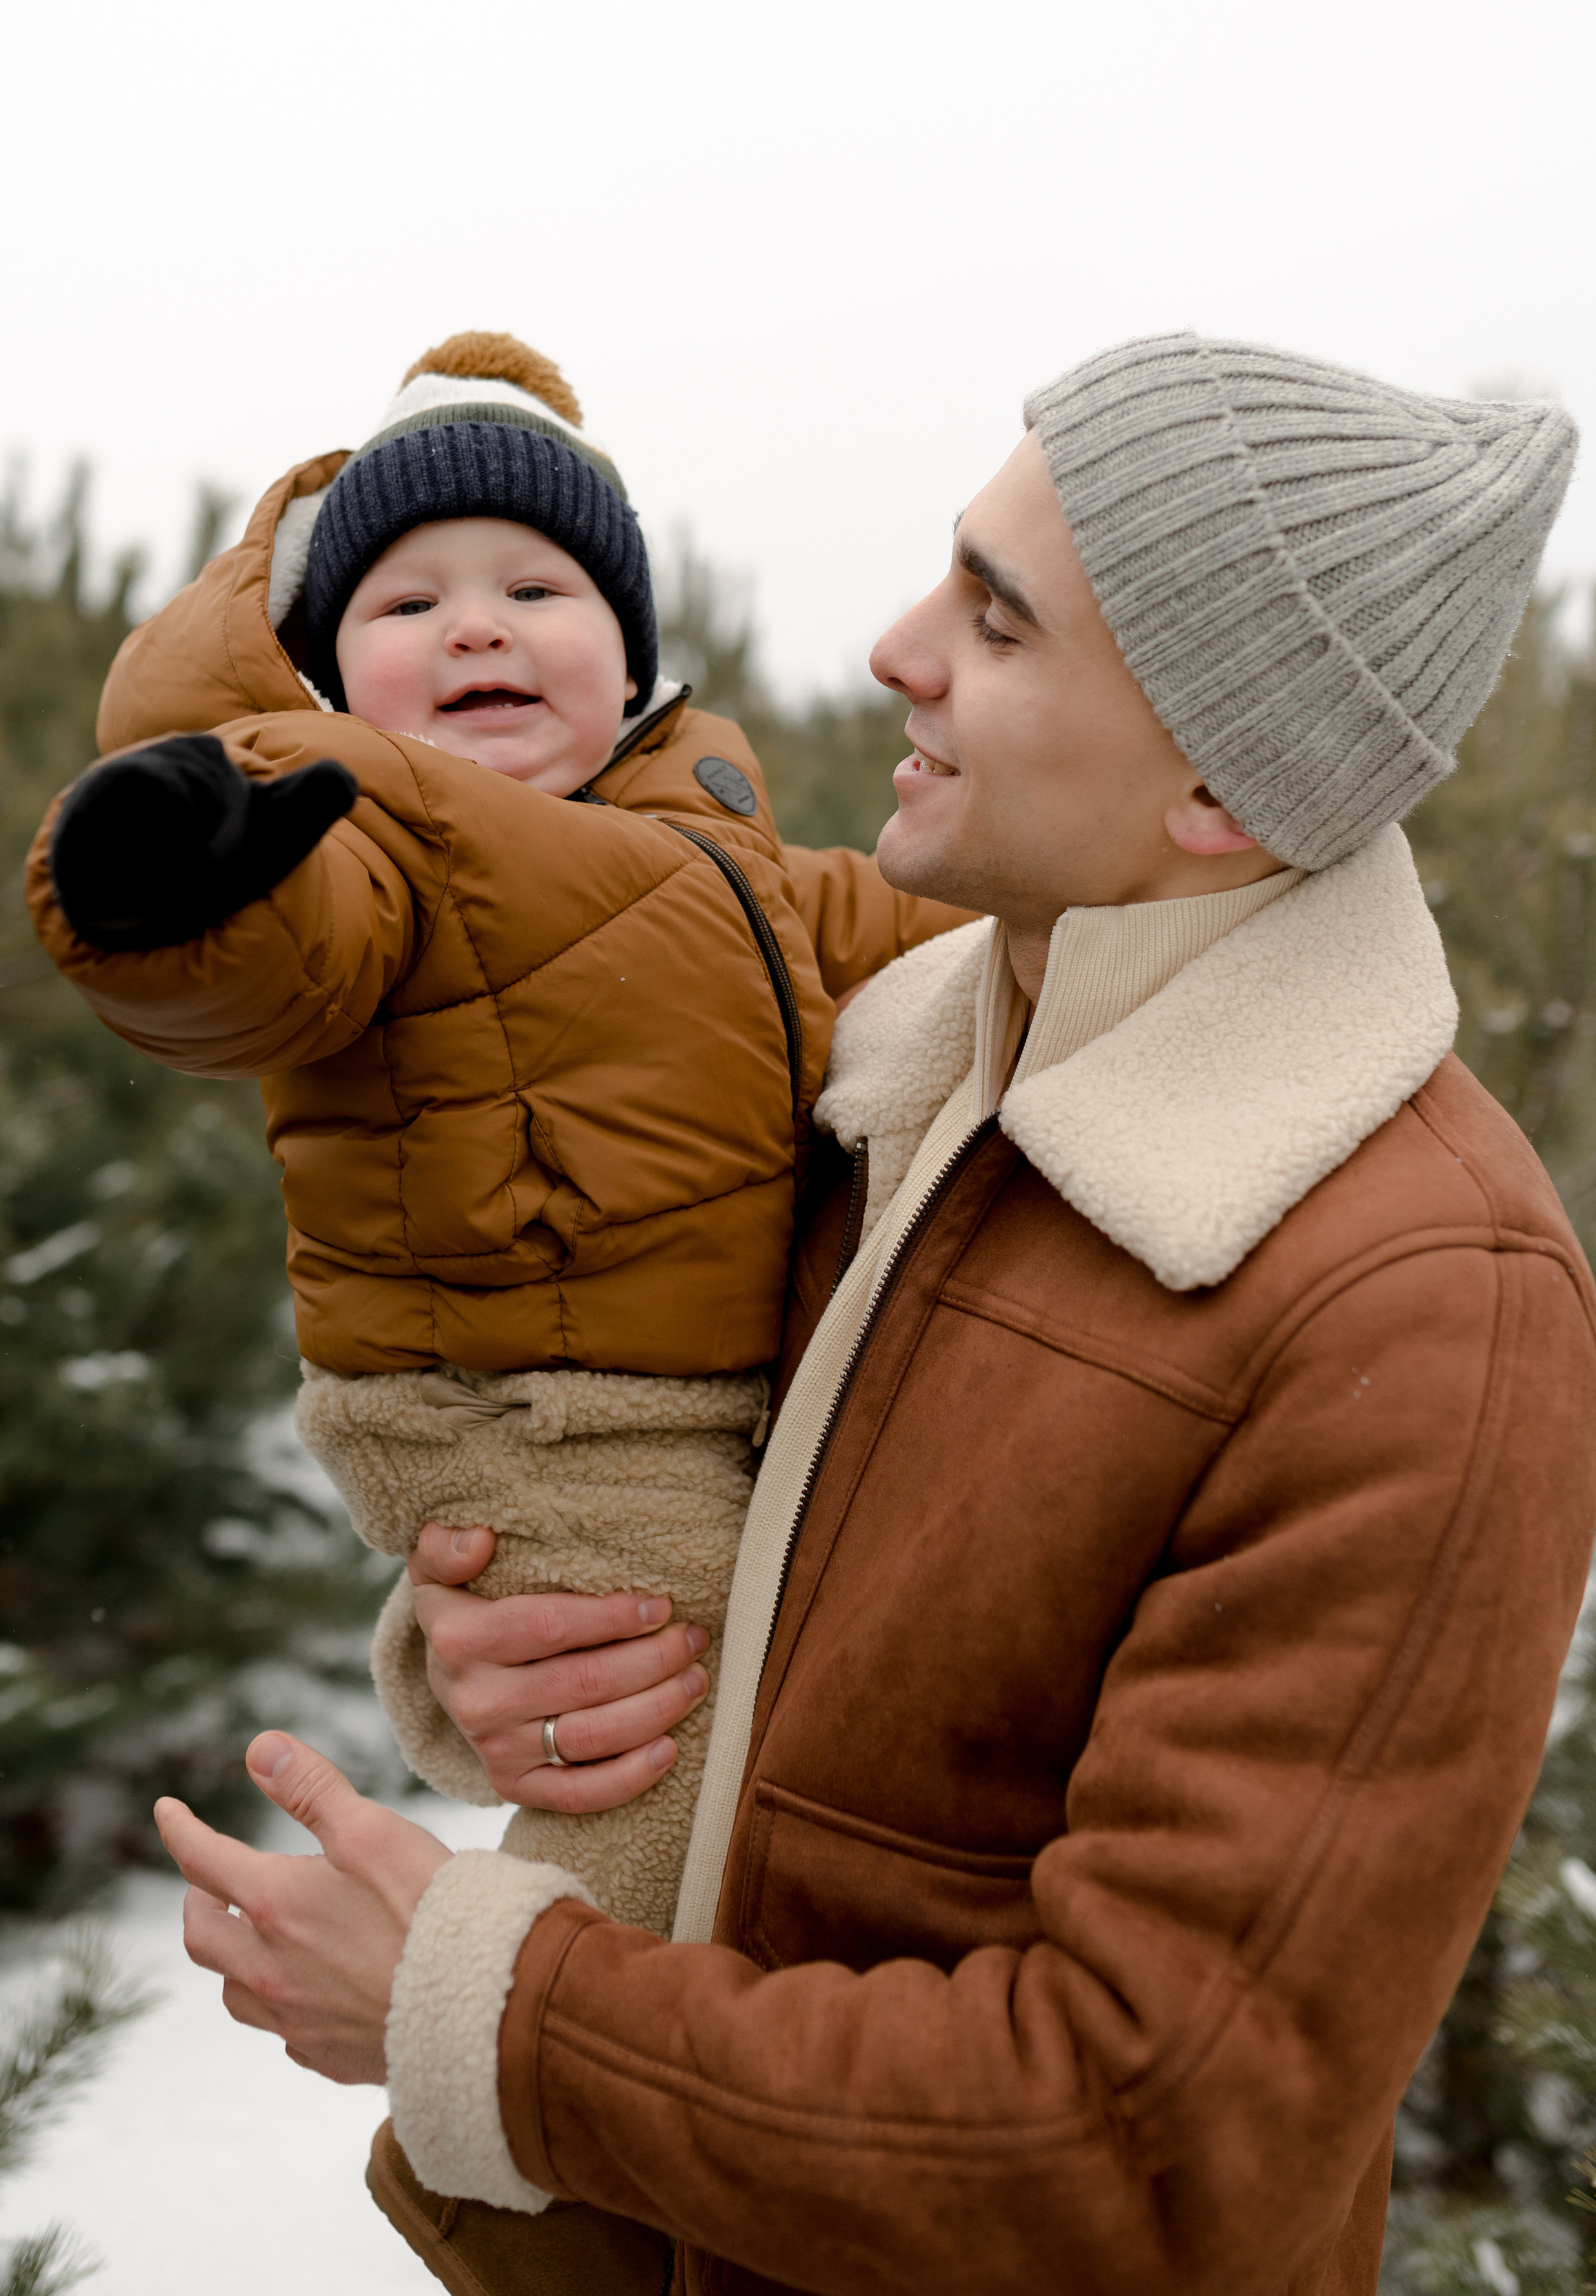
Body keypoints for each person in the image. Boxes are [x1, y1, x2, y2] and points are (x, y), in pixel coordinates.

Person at [154, 331, 1596, 2296]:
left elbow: (1148, 2156)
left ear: (1208, 777)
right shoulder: (896, 1082)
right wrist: (504, 1638)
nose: (891, 651)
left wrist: (480, 2013)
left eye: (995, 626)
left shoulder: (1425, 1299)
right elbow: (732, 1505)